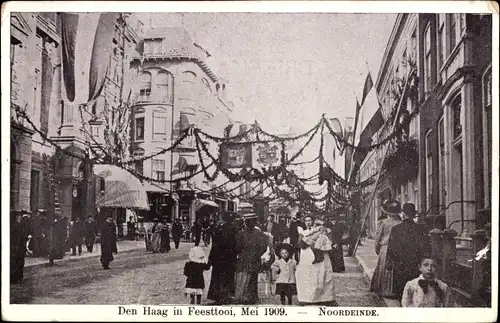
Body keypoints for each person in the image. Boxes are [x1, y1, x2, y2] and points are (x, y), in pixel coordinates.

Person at [387, 202, 432, 300]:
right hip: (416, 267)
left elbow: (390, 249)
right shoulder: (421, 229)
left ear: (403, 214)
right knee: (417, 295)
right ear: (413, 214)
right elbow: (427, 248)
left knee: (402, 295)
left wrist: (390, 263)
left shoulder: (396, 229)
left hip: (400, 267)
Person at [295, 215, 336, 306]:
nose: (308, 222)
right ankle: (307, 297)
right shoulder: (303, 232)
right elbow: (300, 245)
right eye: (306, 221)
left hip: (320, 256)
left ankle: (325, 297)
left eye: (310, 220)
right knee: (308, 275)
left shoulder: (322, 231)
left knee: (322, 274)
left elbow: (328, 243)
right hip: (307, 256)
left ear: (313, 221)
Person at [370, 200, 402, 298]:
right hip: (397, 248)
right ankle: (392, 290)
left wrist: (377, 248)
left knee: (383, 268)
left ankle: (382, 289)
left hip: (385, 248)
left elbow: (378, 237)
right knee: (394, 268)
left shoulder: (383, 223)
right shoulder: (400, 223)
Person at [234, 213, 268, 305]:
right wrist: (257, 254)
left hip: (245, 259)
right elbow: (263, 246)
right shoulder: (258, 233)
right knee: (252, 278)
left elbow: (237, 247)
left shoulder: (242, 233)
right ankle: (251, 296)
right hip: (252, 259)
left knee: (246, 277)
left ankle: (246, 296)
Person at [207, 212, 238, 304]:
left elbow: (215, 244)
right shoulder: (235, 230)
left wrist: (211, 258)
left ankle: (217, 296)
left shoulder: (218, 229)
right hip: (230, 257)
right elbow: (237, 245)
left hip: (219, 257)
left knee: (218, 276)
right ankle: (227, 295)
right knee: (229, 276)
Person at [11, 211, 27, 283]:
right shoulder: (15, 225)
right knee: (16, 262)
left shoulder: (20, 224)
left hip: (20, 246)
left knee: (20, 262)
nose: (19, 217)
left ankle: (19, 276)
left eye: (20, 215)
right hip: (16, 246)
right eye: (18, 216)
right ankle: (16, 277)